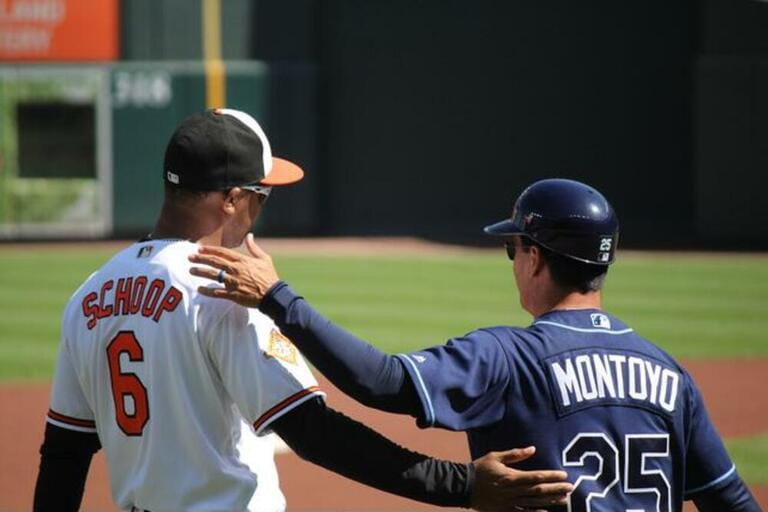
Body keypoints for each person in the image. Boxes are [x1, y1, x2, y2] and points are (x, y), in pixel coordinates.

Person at [33, 109, 575, 512]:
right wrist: (464, 484)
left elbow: (64, 452)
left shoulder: (91, 293)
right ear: (228, 199)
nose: (263, 207)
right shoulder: (224, 290)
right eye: (261, 194)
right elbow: (313, 433)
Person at [189, 178, 762, 512]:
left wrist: (278, 298)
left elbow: (382, 382)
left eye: (513, 249)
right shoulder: (669, 374)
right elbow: (731, 503)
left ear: (535, 256)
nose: (512, 261)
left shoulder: (508, 357)